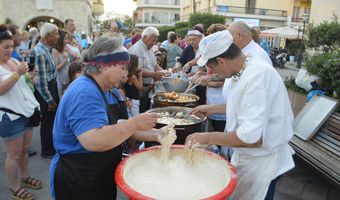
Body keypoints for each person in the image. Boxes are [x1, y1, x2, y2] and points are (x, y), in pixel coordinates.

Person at [49, 33, 163, 200]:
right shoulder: (84, 92)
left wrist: (158, 134)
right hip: (79, 177)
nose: (125, 75)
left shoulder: (109, 90)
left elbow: (117, 127)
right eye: (123, 67)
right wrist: (134, 123)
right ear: (103, 66)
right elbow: (94, 140)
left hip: (99, 174)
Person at [186, 30, 295, 200]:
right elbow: (244, 106)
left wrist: (207, 138)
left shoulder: (256, 77)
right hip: (249, 158)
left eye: (212, 67)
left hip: (262, 161)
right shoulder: (245, 68)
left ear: (221, 61)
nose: (211, 71)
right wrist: (212, 108)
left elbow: (252, 138)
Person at [0, 24, 41, 200]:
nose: (10, 50)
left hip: (26, 112)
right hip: (10, 116)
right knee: (13, 154)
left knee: (24, 150)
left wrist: (30, 78)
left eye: (12, 46)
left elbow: (25, 86)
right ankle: (14, 186)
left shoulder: (15, 61)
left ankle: (23, 177)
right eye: (6, 47)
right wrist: (17, 74)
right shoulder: (12, 66)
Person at [34, 23, 60, 159]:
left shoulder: (47, 49)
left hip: (51, 87)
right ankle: (47, 151)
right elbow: (41, 82)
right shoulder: (40, 52)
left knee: (51, 120)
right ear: (48, 36)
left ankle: (51, 147)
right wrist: (50, 101)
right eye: (55, 33)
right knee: (47, 121)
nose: (58, 36)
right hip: (46, 90)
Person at [128, 27, 165, 113]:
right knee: (141, 111)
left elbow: (154, 64)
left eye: (155, 41)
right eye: (152, 40)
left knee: (147, 110)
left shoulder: (149, 48)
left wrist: (163, 72)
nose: (154, 43)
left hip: (148, 87)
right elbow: (136, 71)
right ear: (144, 37)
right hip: (139, 88)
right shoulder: (136, 50)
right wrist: (154, 75)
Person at [53, 30, 70, 97]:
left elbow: (67, 64)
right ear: (61, 39)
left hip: (67, 77)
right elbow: (56, 68)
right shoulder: (55, 51)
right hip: (60, 79)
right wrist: (64, 60)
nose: (68, 40)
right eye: (66, 38)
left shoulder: (65, 49)